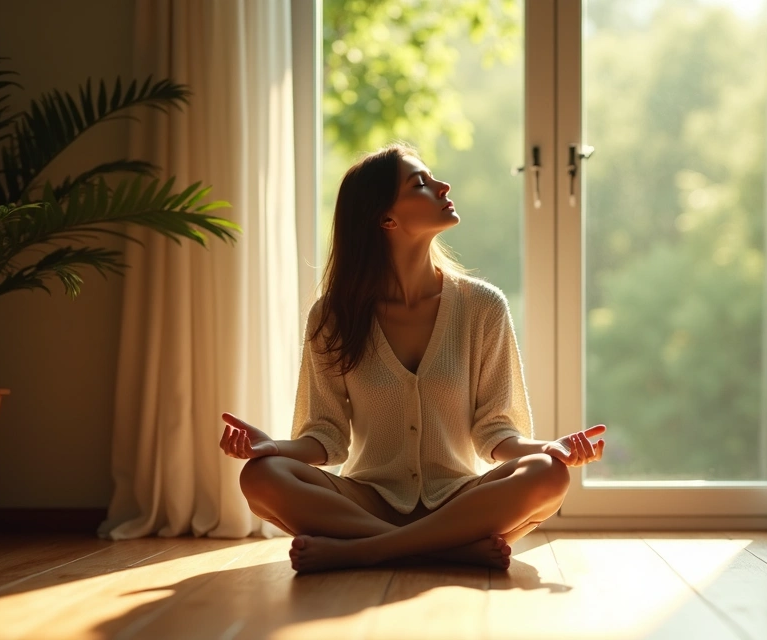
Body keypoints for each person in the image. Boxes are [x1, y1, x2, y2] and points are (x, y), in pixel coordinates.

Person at [218, 143, 608, 573]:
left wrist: (548, 447)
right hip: (367, 501)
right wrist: (271, 447)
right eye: (420, 183)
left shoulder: (482, 307)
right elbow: (326, 438)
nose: (443, 186)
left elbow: (496, 433)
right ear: (386, 218)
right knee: (260, 476)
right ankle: (445, 551)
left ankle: (365, 550)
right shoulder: (333, 315)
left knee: (548, 473)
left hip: (461, 501)